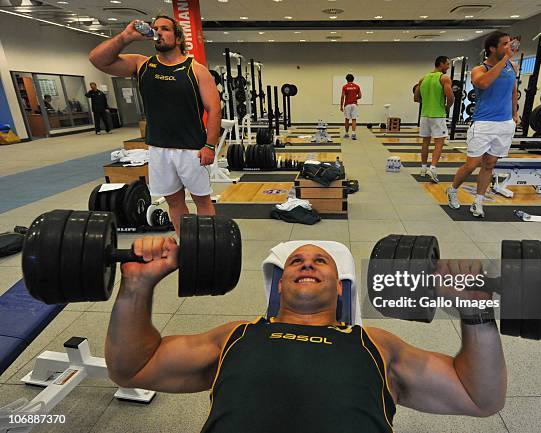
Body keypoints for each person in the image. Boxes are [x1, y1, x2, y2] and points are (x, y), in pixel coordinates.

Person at [105, 239, 507, 432]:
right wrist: (136, 287)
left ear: (338, 288)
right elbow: (132, 369)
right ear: (279, 286)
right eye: (296, 261)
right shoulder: (236, 335)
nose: (306, 263)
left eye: (320, 261)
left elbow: (478, 397)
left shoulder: (377, 345)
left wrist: (476, 312)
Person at [88, 16, 221, 235]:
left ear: (178, 37)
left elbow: (214, 110)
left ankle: (209, 246)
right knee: (174, 203)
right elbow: (97, 60)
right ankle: (187, 246)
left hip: (191, 149)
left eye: (165, 29)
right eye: (156, 28)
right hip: (159, 149)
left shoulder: (196, 70)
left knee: (202, 201)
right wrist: (126, 36)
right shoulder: (142, 64)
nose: (158, 32)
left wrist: (210, 146)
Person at [447, 31, 519, 218]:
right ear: (492, 49)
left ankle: (478, 202)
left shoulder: (512, 67)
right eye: (504, 44)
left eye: (509, 43)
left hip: (504, 124)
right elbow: (484, 84)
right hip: (484, 123)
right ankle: (453, 190)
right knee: (472, 164)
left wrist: (514, 114)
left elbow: (513, 91)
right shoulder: (480, 70)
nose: (509, 47)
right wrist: (504, 61)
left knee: (489, 164)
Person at [414, 56, 454, 183]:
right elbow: (450, 97)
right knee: (439, 142)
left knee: (425, 142)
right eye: (447, 64)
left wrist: (426, 103)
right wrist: (446, 107)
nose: (448, 66)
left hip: (425, 115)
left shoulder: (423, 78)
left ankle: (423, 168)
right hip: (437, 115)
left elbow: (416, 98)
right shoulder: (444, 78)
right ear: (441, 64)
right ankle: (433, 168)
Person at [340, 74, 362, 140]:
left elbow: (342, 97)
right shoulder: (357, 86)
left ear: (346, 79)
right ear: (353, 79)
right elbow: (360, 96)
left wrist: (341, 106)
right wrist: (355, 98)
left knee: (347, 119)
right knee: (354, 119)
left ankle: (346, 134)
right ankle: (353, 134)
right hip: (354, 105)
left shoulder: (345, 87)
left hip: (347, 105)